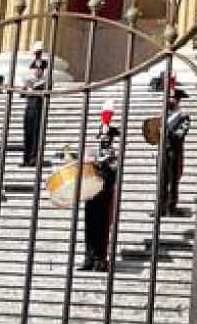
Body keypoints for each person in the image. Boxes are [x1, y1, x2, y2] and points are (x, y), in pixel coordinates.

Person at [79, 107, 123, 272]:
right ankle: (89, 257)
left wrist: (98, 164)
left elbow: (112, 173)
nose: (104, 139)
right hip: (91, 194)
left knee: (102, 227)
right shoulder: (93, 153)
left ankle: (100, 259)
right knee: (89, 226)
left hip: (104, 194)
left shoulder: (113, 155)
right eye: (102, 136)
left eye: (107, 137)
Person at [155, 77, 192, 217]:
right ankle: (161, 206)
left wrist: (168, 131)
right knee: (161, 180)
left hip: (174, 151)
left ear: (177, 100)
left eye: (171, 98)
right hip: (163, 150)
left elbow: (180, 133)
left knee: (173, 180)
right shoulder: (163, 116)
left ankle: (171, 206)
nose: (169, 101)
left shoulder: (184, 117)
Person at [19, 44, 52, 167]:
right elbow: (22, 94)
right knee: (27, 133)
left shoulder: (45, 81)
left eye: (39, 69)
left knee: (37, 134)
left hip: (39, 108)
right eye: (35, 69)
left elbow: (47, 92)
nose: (37, 71)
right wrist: (28, 88)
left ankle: (34, 158)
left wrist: (36, 89)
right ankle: (26, 158)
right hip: (29, 108)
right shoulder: (30, 80)